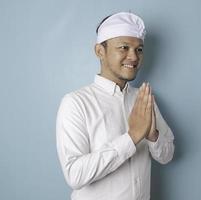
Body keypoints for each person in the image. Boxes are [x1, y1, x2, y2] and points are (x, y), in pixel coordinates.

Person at [56, 11, 175, 200]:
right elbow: (74, 175)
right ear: (99, 51)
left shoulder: (143, 98)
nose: (134, 57)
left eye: (139, 49)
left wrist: (153, 135)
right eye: (124, 47)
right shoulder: (76, 103)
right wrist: (132, 136)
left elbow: (167, 155)